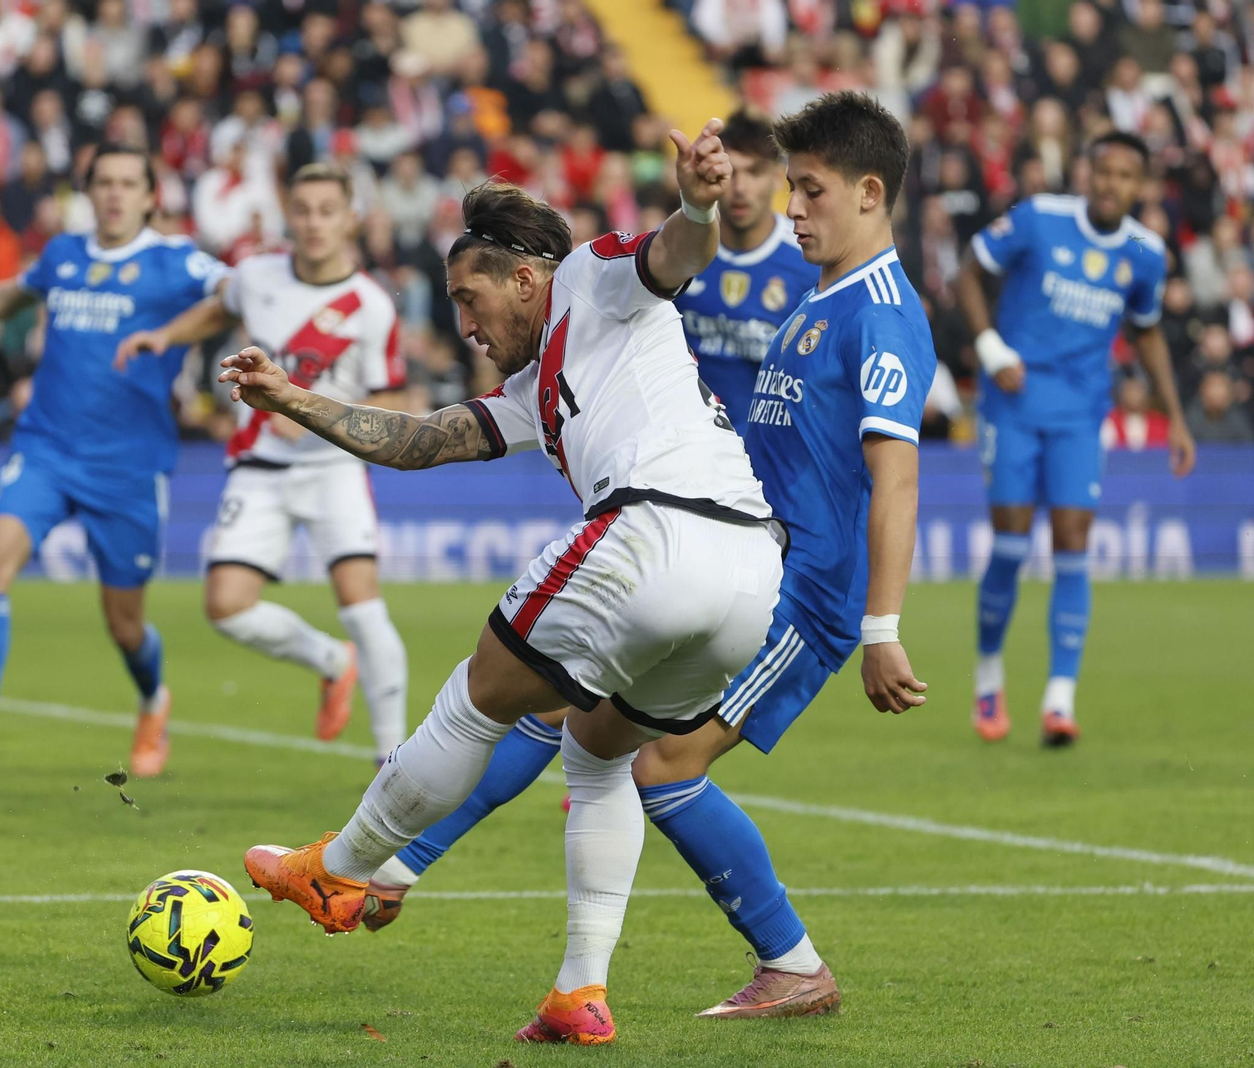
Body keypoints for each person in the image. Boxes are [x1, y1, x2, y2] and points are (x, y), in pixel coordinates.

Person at [355, 92, 935, 1025]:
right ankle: (396, 868)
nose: (793, 208)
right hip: (742, 557)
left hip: (804, 596)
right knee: (561, 708)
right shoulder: (820, 299)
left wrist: (881, 628)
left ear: (870, 194)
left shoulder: (883, 314)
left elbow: (897, 476)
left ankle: (791, 963)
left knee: (657, 767)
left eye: (810, 191)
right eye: (790, 188)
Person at [219, 119, 792, 1046]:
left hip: (654, 527)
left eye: (468, 297)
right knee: (599, 754)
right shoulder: (541, 383)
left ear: (524, 277)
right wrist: (293, 398)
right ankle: (580, 992)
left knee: (478, 695)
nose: (464, 323)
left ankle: (341, 865)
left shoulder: (590, 279)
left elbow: (676, 253)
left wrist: (697, 200)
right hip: (747, 575)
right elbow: (418, 443)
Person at [0, 143, 227, 780]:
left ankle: (153, 700)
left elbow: (236, 291)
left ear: (150, 197)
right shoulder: (63, 254)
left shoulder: (177, 261)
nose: (115, 194)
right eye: (104, 183)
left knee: (124, 626)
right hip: (47, 448)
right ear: (88, 193)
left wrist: (186, 331)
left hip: (129, 467)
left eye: (127, 183)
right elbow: (7, 296)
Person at [115, 163, 409, 764]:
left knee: (362, 601)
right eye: (303, 210)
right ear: (288, 216)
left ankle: (392, 761)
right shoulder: (256, 275)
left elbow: (392, 401)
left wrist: (310, 410)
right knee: (224, 604)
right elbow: (220, 309)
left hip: (334, 469)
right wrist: (165, 337)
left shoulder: (372, 307)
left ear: (350, 218)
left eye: (328, 210)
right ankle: (330, 662)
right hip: (260, 464)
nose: (314, 223)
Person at [958, 131, 1194, 747]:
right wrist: (989, 347)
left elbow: (1146, 333)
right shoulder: (1039, 219)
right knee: (1009, 546)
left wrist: (1178, 419)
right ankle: (989, 676)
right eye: (1104, 171)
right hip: (1012, 404)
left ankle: (1059, 700)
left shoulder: (1146, 255)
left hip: (1081, 415)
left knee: (1072, 543)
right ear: (1086, 172)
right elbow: (969, 271)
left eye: (1126, 175)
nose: (1112, 183)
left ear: (1141, 187)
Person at [674, 107, 819, 418]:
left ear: (778, 177)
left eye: (754, 172)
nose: (739, 189)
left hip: (772, 452)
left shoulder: (809, 262)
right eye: (731, 172)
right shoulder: (677, 249)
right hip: (690, 448)